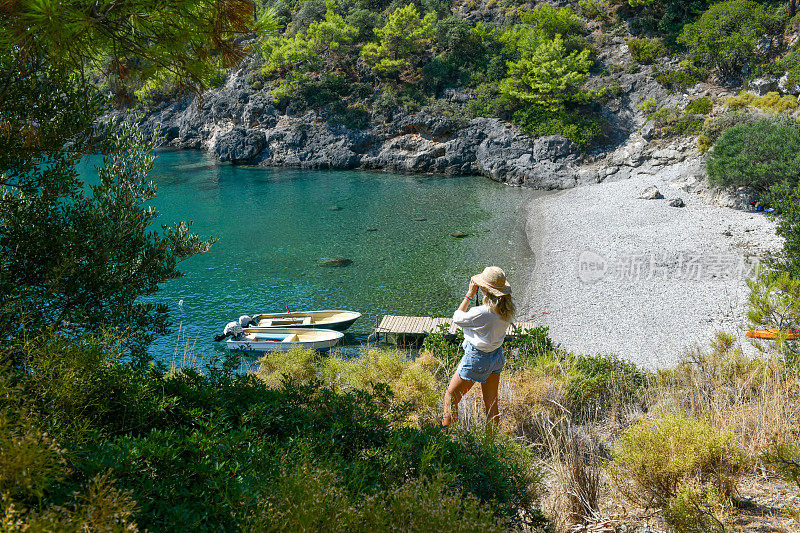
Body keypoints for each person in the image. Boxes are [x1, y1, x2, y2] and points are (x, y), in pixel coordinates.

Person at [442, 266, 515, 427]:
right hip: (496, 357)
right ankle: (490, 444)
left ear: (484, 289)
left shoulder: (482, 312)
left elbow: (457, 317)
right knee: (491, 403)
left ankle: (445, 441)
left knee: (451, 397)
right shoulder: (507, 309)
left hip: (478, 358)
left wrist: (469, 294)